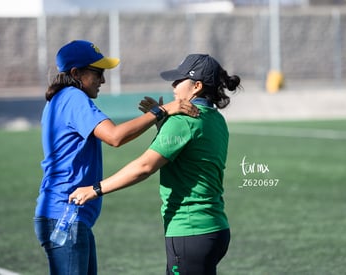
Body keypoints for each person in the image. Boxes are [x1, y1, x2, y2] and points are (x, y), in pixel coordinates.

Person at [33, 40, 199, 275]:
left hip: (70, 216)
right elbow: (114, 136)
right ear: (75, 73)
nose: (102, 80)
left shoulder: (63, 98)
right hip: (65, 214)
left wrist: (157, 117)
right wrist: (162, 110)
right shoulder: (72, 97)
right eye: (98, 73)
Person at [69, 53, 241, 275]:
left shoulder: (182, 121)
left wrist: (94, 189)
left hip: (190, 231)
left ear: (197, 86)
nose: (174, 85)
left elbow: (144, 167)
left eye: (179, 80)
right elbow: (191, 156)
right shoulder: (215, 119)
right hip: (215, 229)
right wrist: (163, 125)